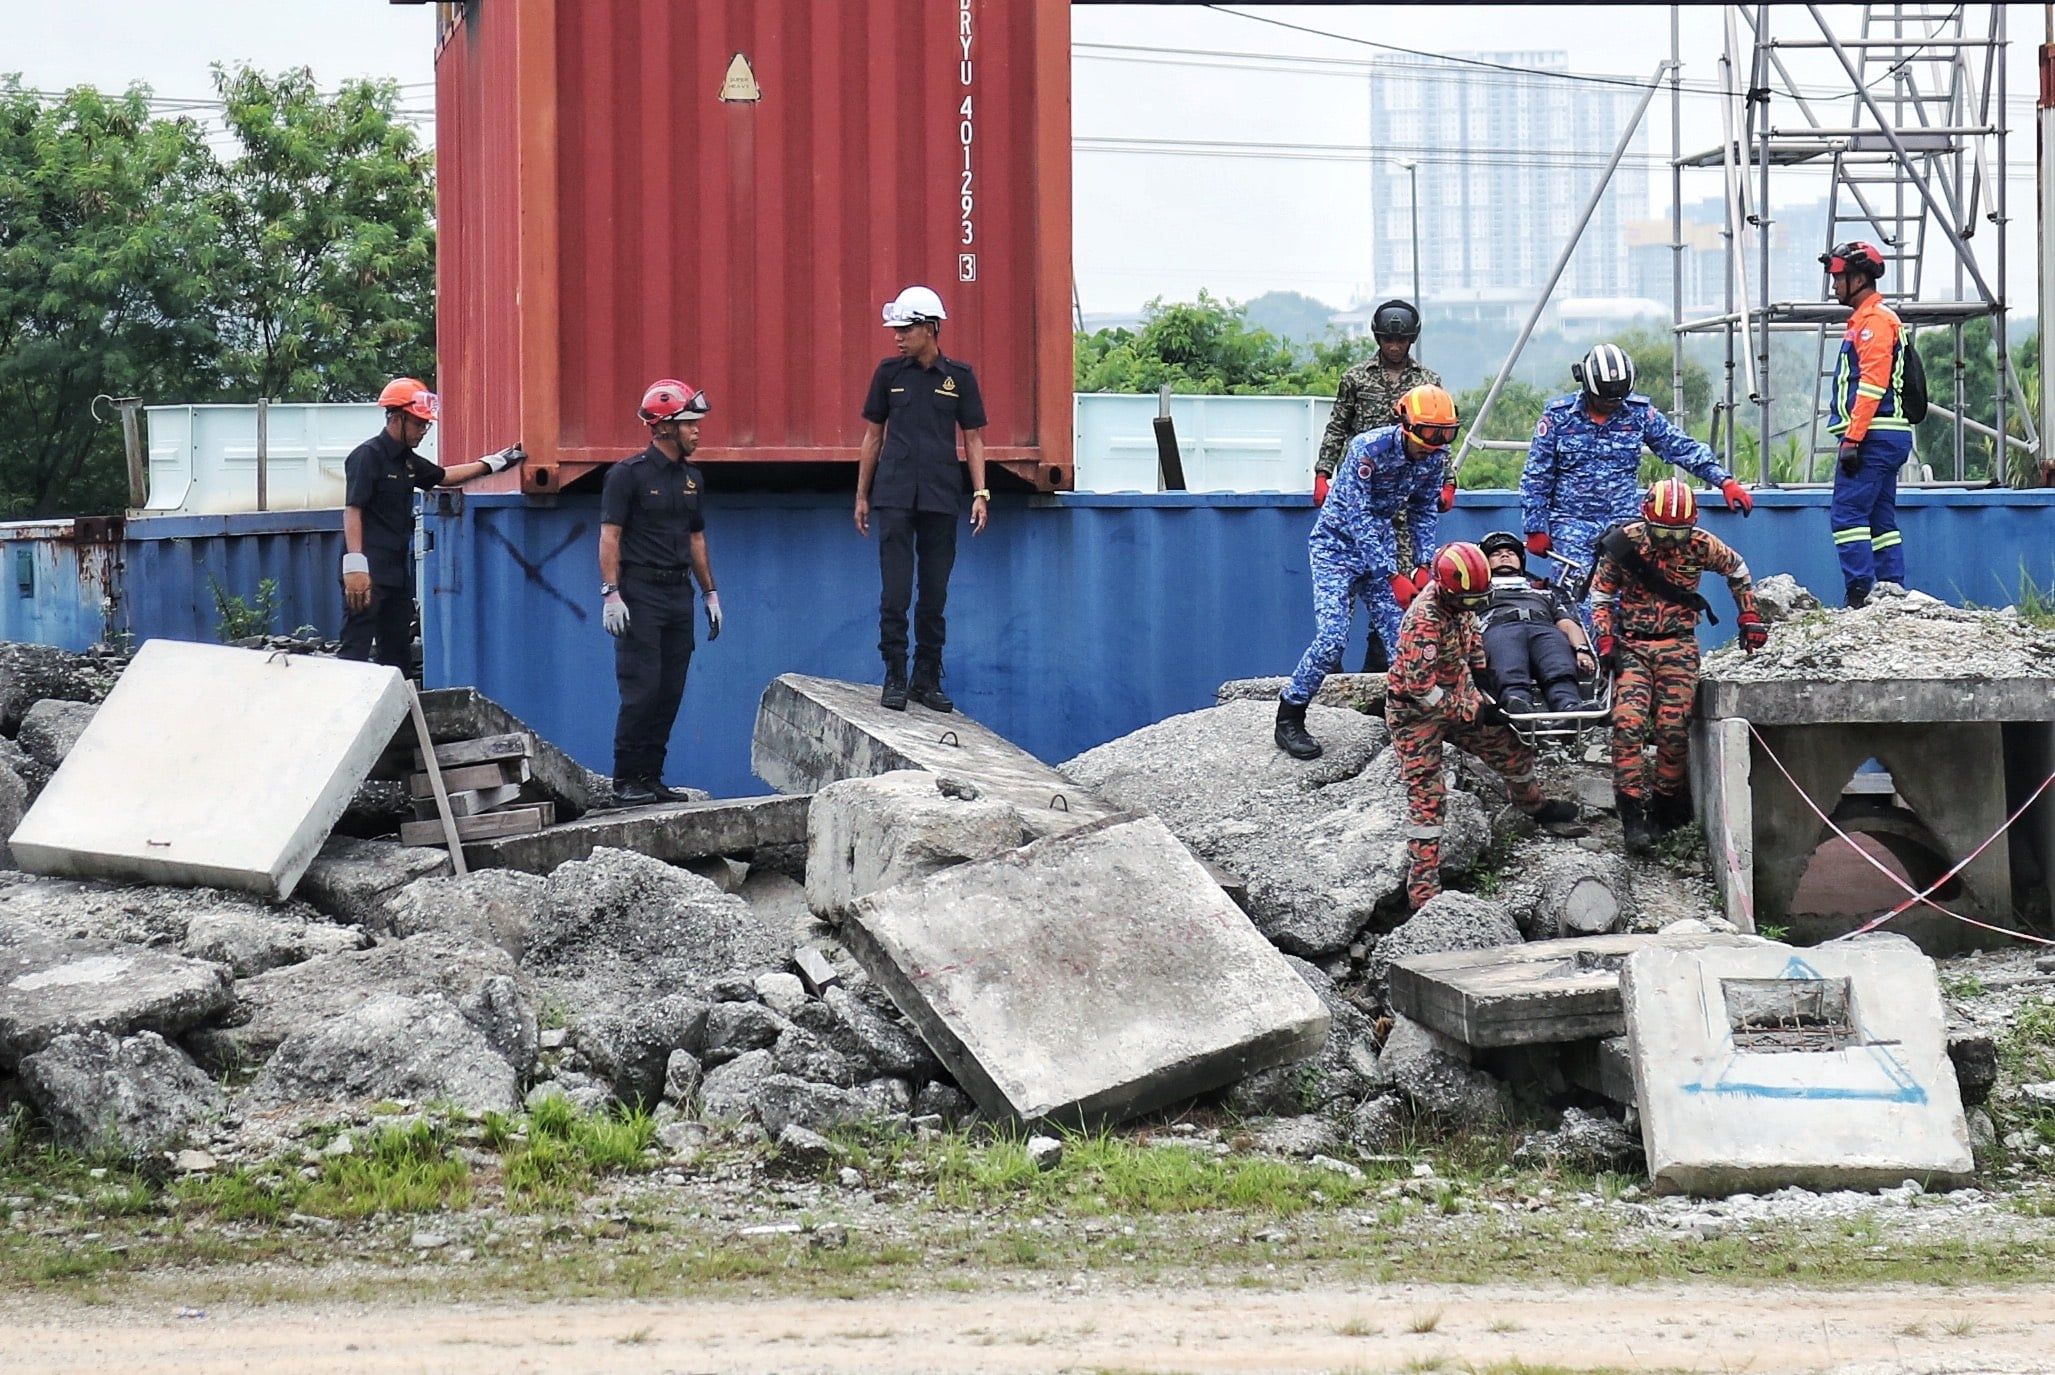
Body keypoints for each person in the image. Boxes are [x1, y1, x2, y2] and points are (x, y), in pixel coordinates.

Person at [1386, 541, 1578, 909]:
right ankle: (1423, 896)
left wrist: (1481, 675)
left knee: (1513, 751)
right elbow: (1422, 691)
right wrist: (1471, 712)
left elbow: (1471, 631)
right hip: (1416, 716)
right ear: (1446, 590)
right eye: (1469, 600)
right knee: (1428, 802)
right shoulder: (1423, 622)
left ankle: (1534, 806)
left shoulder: (1465, 597)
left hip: (1459, 695)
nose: (1475, 604)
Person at [1275, 384, 1459, 761]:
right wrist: (1392, 575)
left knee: (1403, 642)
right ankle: (1290, 715)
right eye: (1429, 434)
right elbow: (1358, 519)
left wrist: (1423, 565)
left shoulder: (1433, 459)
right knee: (1331, 641)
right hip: (1336, 549)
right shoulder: (1367, 449)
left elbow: (1423, 508)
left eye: (1445, 435)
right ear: (1406, 425)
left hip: (1384, 553)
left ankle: (1409, 722)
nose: (1435, 444)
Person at [1589, 479, 1767, 854]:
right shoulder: (1626, 543)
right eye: (1662, 533)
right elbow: (1602, 594)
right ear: (1646, 519)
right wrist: (1605, 638)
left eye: (1678, 533)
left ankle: (1666, 807)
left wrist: (1749, 614)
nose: (1670, 542)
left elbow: (1737, 570)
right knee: (1627, 724)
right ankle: (1632, 814)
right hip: (1633, 646)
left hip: (1679, 646)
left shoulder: (1701, 544)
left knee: (1672, 730)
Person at [1519, 343, 1754, 590]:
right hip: (1572, 525)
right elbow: (1536, 476)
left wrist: (1724, 481)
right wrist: (1534, 528)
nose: (1611, 404)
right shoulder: (1558, 418)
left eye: (1617, 399)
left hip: (1623, 524)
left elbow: (1679, 446)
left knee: (1628, 596)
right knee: (1575, 597)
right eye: (1604, 399)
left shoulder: (1638, 413)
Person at [854, 285, 989, 712]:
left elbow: (974, 439)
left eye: (905, 328)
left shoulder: (960, 379)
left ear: (930, 329)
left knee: (934, 594)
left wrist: (980, 492)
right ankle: (894, 675)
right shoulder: (888, 374)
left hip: (940, 497)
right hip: (893, 496)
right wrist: (862, 494)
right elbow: (872, 436)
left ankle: (925, 679)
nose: (897, 336)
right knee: (895, 592)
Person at [599, 379, 724, 806]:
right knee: (641, 689)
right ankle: (625, 781)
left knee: (670, 690)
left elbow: (696, 541)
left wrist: (710, 593)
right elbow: (610, 537)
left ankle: (651, 778)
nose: (697, 430)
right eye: (690, 423)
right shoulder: (627, 475)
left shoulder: (692, 479)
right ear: (665, 427)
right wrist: (611, 593)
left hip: (677, 594)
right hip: (640, 593)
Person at [341, 377, 521, 670]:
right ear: (397, 418)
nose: (424, 431)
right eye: (418, 424)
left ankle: (399, 714)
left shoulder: (407, 462)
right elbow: (353, 509)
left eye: (426, 425)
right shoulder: (367, 456)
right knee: (355, 651)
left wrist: (494, 463)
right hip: (367, 573)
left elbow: (444, 477)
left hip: (396, 574)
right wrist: (355, 566)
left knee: (397, 655)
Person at [1314, 299, 1444, 671]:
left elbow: (1437, 440)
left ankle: (1381, 673)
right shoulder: (1356, 378)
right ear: (1378, 338)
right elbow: (1338, 426)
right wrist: (1323, 471)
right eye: (1388, 339)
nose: (1394, 346)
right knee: (1341, 597)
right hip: (1361, 491)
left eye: (1401, 340)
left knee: (1394, 593)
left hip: (1403, 501)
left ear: (1411, 341)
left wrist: (1446, 482)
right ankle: (1333, 668)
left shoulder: (1428, 381)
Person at [1821, 240, 1913, 607]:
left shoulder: (1874, 323)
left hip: (1873, 435)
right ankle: (1892, 592)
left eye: (1838, 277)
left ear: (1859, 278)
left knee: (1847, 516)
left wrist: (1853, 439)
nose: (1834, 285)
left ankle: (1860, 595)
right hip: (1887, 434)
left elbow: (1872, 386)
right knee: (1880, 521)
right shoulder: (1872, 320)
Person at [1475, 531, 1596, 715]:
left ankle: (1569, 707)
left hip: (1544, 628)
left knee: (1557, 661)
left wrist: (1582, 650)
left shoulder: (1544, 593)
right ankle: (1516, 704)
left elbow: (1567, 624)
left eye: (1511, 553)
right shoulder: (1476, 593)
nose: (1505, 556)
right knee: (1509, 663)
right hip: (1499, 629)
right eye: (1496, 554)